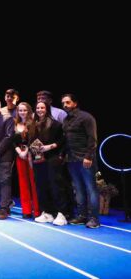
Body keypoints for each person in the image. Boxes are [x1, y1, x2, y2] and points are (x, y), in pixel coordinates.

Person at [61, 93, 100, 229]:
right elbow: (66, 140)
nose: (65, 105)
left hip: (85, 159)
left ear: (75, 103)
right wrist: (62, 154)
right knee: (78, 189)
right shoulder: (66, 120)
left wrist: (88, 156)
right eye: (63, 103)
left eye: (68, 102)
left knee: (91, 189)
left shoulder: (86, 117)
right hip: (71, 159)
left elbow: (92, 139)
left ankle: (94, 219)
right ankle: (82, 216)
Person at [32, 101, 68, 226]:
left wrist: (50, 147)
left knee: (56, 186)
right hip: (38, 159)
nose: (40, 110)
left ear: (47, 109)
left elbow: (63, 140)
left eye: (42, 107)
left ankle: (62, 213)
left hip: (53, 158)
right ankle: (47, 213)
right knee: (41, 186)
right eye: (37, 108)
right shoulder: (33, 125)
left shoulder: (56, 124)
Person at [11, 102, 40, 219]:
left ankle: (37, 211)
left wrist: (26, 152)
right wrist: (19, 152)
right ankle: (26, 210)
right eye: (20, 110)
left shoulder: (34, 123)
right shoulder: (14, 124)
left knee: (34, 183)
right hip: (20, 156)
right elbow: (13, 141)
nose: (22, 112)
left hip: (31, 156)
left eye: (24, 110)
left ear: (29, 111)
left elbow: (33, 140)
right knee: (23, 183)